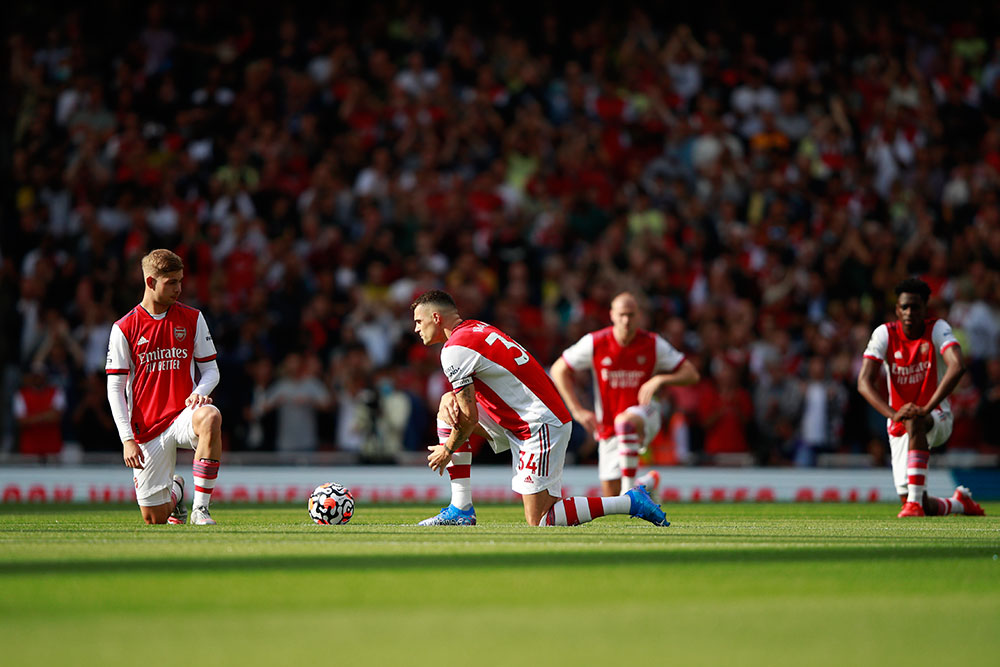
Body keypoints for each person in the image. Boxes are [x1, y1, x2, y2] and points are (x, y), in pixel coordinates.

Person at [411, 289, 668, 527]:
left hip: (539, 423)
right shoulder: (475, 328)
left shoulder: (454, 349)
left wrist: (447, 450)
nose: (416, 328)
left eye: (419, 321)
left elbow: (469, 418)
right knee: (448, 410)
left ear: (436, 317)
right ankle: (461, 508)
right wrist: (449, 397)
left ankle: (630, 501)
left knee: (541, 518)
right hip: (519, 418)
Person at [106, 249, 223, 525]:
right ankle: (177, 490)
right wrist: (127, 440)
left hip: (183, 413)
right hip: (146, 426)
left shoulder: (193, 318)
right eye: (171, 282)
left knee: (211, 416)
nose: (179, 289)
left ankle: (200, 510)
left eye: (180, 281)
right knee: (154, 518)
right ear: (150, 282)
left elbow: (211, 371)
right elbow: (115, 389)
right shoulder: (124, 327)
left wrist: (199, 392)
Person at [857, 278, 985, 518]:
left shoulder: (937, 329)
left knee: (915, 419)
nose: (909, 312)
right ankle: (958, 504)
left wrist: (927, 407)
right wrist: (892, 414)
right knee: (916, 499)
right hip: (898, 419)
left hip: (937, 413)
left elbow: (957, 365)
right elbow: (863, 382)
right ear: (897, 309)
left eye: (915, 307)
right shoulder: (884, 334)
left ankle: (913, 506)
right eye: (904, 307)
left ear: (925, 309)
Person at [550, 292, 700, 497]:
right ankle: (647, 483)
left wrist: (660, 379)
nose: (626, 320)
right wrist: (577, 410)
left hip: (645, 414)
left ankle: (630, 488)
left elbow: (691, 373)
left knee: (625, 422)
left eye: (631, 315)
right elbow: (559, 369)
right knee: (613, 498)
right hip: (608, 428)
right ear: (612, 315)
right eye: (621, 315)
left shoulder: (652, 343)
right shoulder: (595, 342)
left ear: (639, 316)